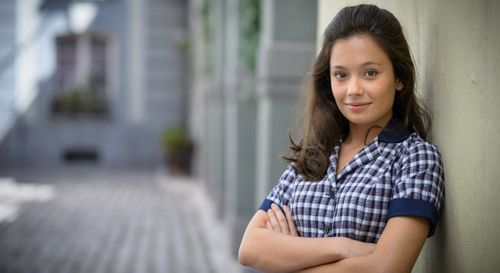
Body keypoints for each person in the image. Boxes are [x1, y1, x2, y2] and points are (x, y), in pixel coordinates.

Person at [238, 4, 445, 273]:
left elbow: (385, 268)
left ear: (399, 78)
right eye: (341, 75)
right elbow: (251, 247)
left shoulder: (415, 159)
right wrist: (342, 247)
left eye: (370, 73)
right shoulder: (313, 154)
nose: (353, 89)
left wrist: (288, 260)